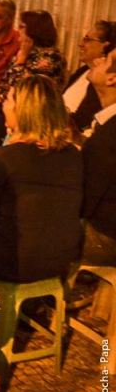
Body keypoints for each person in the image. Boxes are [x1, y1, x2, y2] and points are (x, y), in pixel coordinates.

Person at [0, 75, 82, 283]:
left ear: (23, 109)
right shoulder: (73, 155)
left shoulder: (3, 158)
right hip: (59, 264)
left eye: (8, 99)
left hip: (12, 266)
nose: (3, 105)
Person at [0, 10, 68, 156]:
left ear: (34, 30)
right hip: (11, 104)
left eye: (22, 27)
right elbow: (7, 80)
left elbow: (25, 88)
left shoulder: (51, 57)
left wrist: (22, 59)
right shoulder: (28, 51)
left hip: (31, 113)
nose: (18, 31)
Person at [81, 49, 116, 266]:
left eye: (105, 60)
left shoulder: (109, 136)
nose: (97, 60)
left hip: (106, 238)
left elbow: (85, 199)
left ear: (112, 78)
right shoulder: (107, 125)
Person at [63, 20, 115, 134]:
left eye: (87, 40)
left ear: (105, 46)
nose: (80, 44)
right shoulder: (82, 71)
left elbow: (82, 122)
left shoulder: (101, 82)